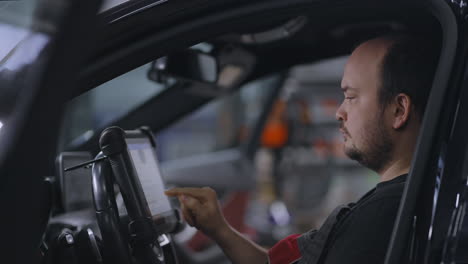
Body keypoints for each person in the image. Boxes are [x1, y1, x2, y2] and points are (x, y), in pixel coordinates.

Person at [165, 33, 440, 264]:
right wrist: (219, 228)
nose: (339, 112)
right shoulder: (400, 202)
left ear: (399, 110)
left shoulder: (381, 220)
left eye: (351, 97)